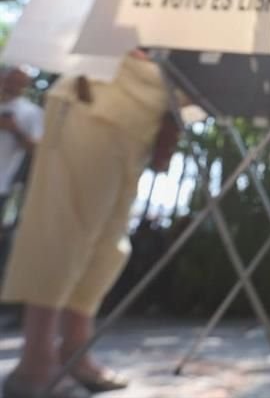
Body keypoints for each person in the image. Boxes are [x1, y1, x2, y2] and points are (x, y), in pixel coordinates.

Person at [1, 50, 181, 398]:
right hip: (96, 92)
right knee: (64, 228)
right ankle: (35, 361)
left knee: (107, 242)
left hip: (147, 107)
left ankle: (75, 351)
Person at [0, 67, 43, 219]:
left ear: (25, 85)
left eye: (19, 82)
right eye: (10, 80)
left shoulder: (31, 112)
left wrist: (14, 129)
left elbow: (36, 150)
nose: (12, 85)